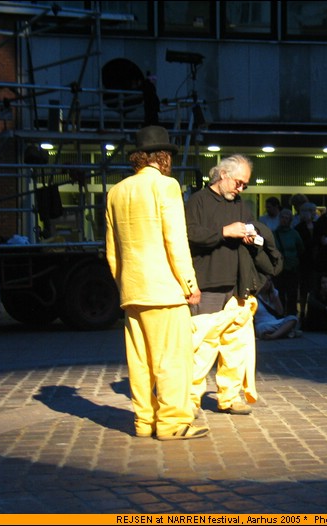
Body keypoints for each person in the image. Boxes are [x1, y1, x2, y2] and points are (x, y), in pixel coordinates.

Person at [105, 125, 208, 441]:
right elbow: (175, 241)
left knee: (140, 363)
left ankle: (144, 421)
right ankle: (172, 423)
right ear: (162, 156)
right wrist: (189, 283)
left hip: (133, 290)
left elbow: (112, 250)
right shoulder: (166, 187)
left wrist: (125, 283)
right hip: (165, 290)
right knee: (172, 361)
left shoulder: (116, 192)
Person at [185, 153, 258, 416]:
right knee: (202, 346)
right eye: (239, 182)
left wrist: (252, 236)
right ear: (223, 175)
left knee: (235, 345)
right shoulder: (198, 200)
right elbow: (191, 234)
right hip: (207, 282)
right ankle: (191, 399)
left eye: (245, 185)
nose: (241, 188)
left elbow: (251, 227)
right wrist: (225, 232)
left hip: (235, 283)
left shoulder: (239, 203)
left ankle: (229, 396)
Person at [273, 207, 304, 316]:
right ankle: (280, 315)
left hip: (292, 268)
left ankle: (291, 316)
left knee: (292, 294)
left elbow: (301, 249)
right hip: (279, 269)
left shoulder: (294, 234)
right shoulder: (274, 234)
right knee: (279, 294)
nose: (284, 220)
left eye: (287, 218)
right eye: (282, 217)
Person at [295, 202, 318, 322]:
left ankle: (312, 310)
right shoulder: (299, 228)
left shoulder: (317, 226)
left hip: (316, 261)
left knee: (314, 287)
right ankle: (303, 311)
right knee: (304, 288)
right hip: (304, 261)